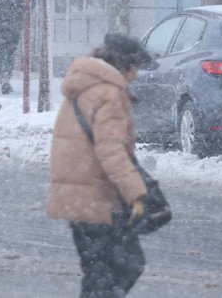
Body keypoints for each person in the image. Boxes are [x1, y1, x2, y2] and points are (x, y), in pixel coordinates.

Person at [47, 33, 153, 298]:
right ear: (125, 65)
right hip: (97, 198)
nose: (136, 75)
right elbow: (110, 150)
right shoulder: (109, 93)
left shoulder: (85, 85)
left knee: (99, 271)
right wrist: (136, 194)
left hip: (80, 197)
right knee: (124, 265)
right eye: (136, 68)